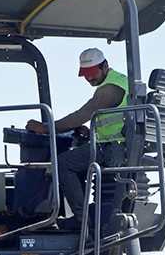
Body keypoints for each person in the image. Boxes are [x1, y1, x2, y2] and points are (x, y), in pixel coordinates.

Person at [23, 46, 130, 222]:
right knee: (77, 160)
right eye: (85, 73)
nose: (88, 77)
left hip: (113, 148)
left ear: (105, 66)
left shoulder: (110, 89)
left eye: (92, 72)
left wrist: (46, 127)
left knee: (63, 164)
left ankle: (82, 220)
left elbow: (82, 114)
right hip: (113, 144)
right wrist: (90, 132)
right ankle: (86, 214)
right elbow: (110, 120)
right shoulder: (120, 81)